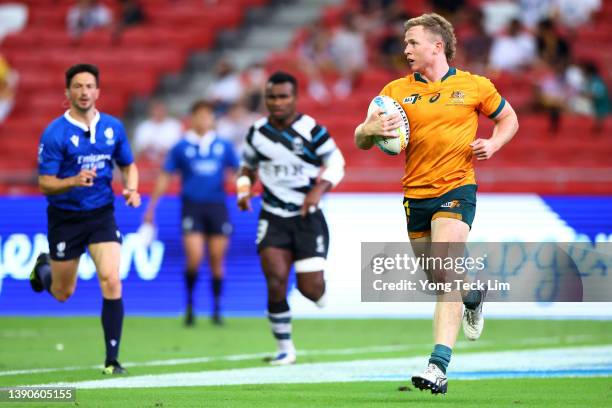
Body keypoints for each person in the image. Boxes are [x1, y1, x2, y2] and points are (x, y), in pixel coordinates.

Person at [354, 13, 518, 394]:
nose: (406, 49)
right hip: (416, 195)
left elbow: (508, 118)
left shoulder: (474, 86)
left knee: (445, 268)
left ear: (437, 45)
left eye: (413, 42)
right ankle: (474, 295)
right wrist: (369, 130)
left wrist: (493, 143)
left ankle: (437, 367)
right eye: (406, 42)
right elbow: (363, 137)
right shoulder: (394, 92)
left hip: (457, 189)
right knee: (437, 278)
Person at [30, 63, 141, 375]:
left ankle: (112, 359)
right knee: (64, 293)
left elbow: (128, 164)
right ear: (67, 93)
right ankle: (43, 268)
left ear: (97, 92)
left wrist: (131, 188)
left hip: (101, 214)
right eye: (77, 86)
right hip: (66, 218)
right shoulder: (55, 133)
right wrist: (73, 181)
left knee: (112, 278)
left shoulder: (112, 128)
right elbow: (44, 182)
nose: (83, 92)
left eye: (89, 86)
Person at [237, 71, 345, 365]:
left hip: (308, 217)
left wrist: (319, 189)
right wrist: (243, 190)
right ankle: (285, 347)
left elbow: (336, 162)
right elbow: (247, 167)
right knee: (275, 279)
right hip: (273, 216)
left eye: (283, 96)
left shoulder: (312, 130)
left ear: (295, 98)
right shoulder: (256, 132)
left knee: (311, 290)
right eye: (272, 97)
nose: (277, 102)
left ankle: (318, 289)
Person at [143, 100, 239, 326]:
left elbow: (237, 171)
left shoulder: (223, 146)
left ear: (213, 119)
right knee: (194, 258)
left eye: (208, 116)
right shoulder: (181, 147)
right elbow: (165, 176)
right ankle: (190, 305)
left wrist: (244, 190)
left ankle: (216, 308)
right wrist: (151, 207)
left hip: (217, 207)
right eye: (200, 115)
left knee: (217, 259)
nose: (204, 120)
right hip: (192, 207)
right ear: (192, 118)